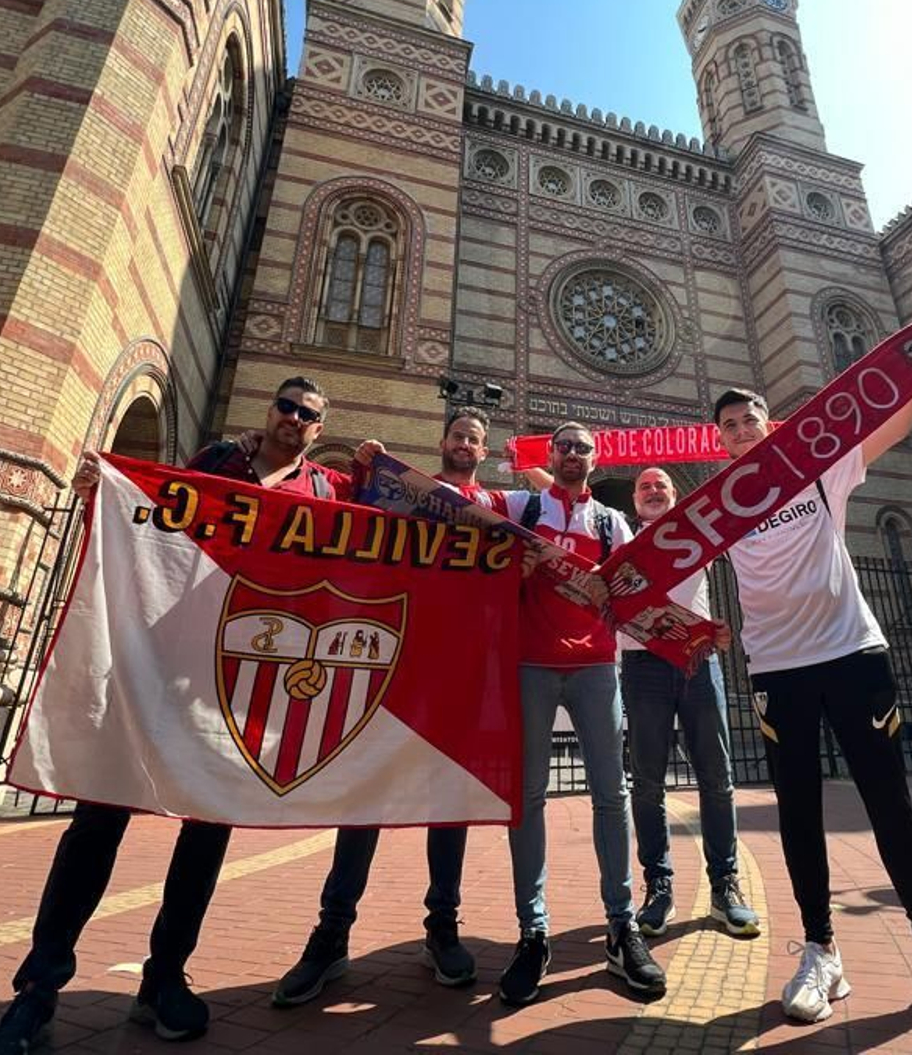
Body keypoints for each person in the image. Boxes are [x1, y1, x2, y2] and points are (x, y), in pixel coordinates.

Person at [0, 377, 361, 1054]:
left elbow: (395, 535)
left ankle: (164, 980)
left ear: (318, 431)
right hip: (154, 668)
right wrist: (110, 482)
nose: (294, 419)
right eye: (287, 406)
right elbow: (148, 520)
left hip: (233, 684)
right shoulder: (214, 465)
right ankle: (37, 993)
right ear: (269, 411)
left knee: (206, 835)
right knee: (99, 819)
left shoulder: (326, 491)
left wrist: (388, 471)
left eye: (308, 415)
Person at [712, 309, 912, 1041]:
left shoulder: (817, 473)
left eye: (751, 420)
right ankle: (821, 951)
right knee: (798, 809)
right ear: (720, 444)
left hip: (852, 655)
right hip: (779, 670)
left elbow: (888, 426)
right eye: (731, 427)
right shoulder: (717, 509)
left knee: (890, 804)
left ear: (772, 426)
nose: (743, 431)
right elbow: (662, 561)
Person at [270, 407, 505, 1008]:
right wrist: (364, 469)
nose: (463, 445)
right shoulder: (406, 495)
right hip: (395, 657)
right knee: (364, 794)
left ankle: (442, 930)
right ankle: (332, 935)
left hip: (460, 669)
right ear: (443, 442)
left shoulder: (499, 510)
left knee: (449, 801)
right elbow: (342, 514)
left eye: (473, 440)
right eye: (456, 435)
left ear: (484, 451)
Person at [495, 422, 665, 1005]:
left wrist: (610, 593)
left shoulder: (609, 521)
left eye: (582, 448)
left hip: (596, 666)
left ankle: (621, 925)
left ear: (595, 459)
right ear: (550, 455)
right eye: (563, 446)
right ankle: (532, 932)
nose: (572, 454)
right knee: (530, 795)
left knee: (611, 794)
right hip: (530, 665)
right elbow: (469, 526)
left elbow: (633, 587)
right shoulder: (523, 503)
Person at [620, 466, 759, 939]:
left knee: (717, 779)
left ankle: (725, 885)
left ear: (675, 495)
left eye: (661, 485)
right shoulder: (619, 539)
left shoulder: (700, 535)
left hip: (698, 662)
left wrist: (720, 628)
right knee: (647, 783)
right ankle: (658, 888)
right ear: (634, 501)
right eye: (644, 487)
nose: (653, 491)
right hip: (641, 666)